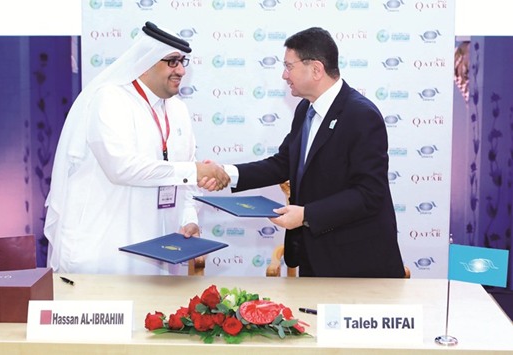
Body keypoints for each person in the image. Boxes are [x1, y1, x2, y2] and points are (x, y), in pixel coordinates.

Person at [44, 21, 229, 275]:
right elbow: (121, 168)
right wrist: (194, 170)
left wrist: (189, 219)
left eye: (182, 62)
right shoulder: (110, 99)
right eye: (172, 61)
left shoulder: (178, 110)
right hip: (103, 252)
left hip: (156, 253)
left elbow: (186, 178)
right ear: (146, 62)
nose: (181, 71)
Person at [222, 27, 405, 278]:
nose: (284, 75)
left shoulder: (361, 115)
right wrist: (226, 174)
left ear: (316, 69)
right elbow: (283, 163)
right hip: (315, 256)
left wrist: (306, 214)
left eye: (289, 66)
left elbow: (369, 194)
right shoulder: (304, 110)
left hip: (356, 263)